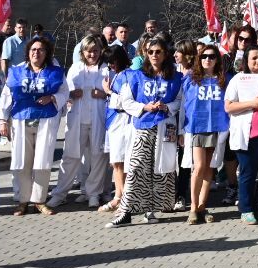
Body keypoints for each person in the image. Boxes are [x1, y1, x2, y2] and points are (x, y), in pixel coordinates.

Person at [109, 36, 184, 226]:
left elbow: (180, 101)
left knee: (160, 168)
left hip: (165, 125)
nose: (154, 55)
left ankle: (151, 210)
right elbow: (126, 101)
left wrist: (167, 107)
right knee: (136, 167)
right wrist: (144, 107)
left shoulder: (175, 77)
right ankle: (126, 211)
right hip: (143, 125)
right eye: (150, 52)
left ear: (165, 54)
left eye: (158, 52)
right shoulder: (137, 76)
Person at [0, 35, 65, 216]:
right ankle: (22, 201)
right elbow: (7, 95)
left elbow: (64, 92)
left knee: (43, 162)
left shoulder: (55, 71)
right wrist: (3, 120)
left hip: (46, 120)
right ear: (28, 52)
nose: (36, 53)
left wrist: (52, 97)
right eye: (33, 49)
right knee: (22, 162)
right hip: (21, 120)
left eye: (41, 50)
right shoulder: (17, 71)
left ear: (46, 53)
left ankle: (39, 201)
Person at [51, 36, 110, 209]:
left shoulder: (106, 69)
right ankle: (60, 193)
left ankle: (93, 194)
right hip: (77, 119)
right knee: (70, 156)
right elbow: (64, 91)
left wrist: (103, 94)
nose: (92, 54)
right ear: (82, 52)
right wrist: (71, 94)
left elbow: (113, 93)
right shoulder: (75, 68)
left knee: (98, 157)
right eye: (88, 51)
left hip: (98, 119)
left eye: (95, 51)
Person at [226, 45, 258, 224]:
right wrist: (251, 104)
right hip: (248, 135)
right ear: (246, 61)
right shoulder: (238, 79)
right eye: (254, 58)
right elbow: (229, 106)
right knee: (248, 172)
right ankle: (246, 209)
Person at [181, 42, 230, 224]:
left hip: (217, 126)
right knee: (199, 166)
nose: (207, 59)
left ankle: (202, 206)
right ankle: (193, 207)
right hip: (197, 126)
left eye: (212, 56)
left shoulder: (223, 79)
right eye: (204, 56)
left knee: (210, 168)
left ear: (217, 60)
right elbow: (181, 102)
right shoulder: (190, 78)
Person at [99, 44, 135, 212]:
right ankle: (119, 195)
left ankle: (122, 198)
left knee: (122, 161)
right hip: (114, 121)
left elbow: (125, 101)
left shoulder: (129, 75)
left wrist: (108, 91)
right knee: (116, 161)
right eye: (109, 62)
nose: (110, 65)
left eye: (113, 61)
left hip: (123, 121)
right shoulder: (118, 75)